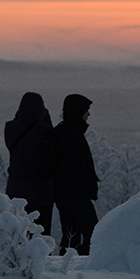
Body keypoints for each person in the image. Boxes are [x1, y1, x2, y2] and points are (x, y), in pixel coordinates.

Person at [52, 94, 99, 255]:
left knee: (70, 235)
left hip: (64, 194)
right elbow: (77, 166)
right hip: (75, 194)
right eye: (86, 110)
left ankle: (66, 267)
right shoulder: (71, 134)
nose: (88, 114)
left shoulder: (63, 131)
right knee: (92, 234)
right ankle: (84, 267)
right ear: (78, 111)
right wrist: (89, 185)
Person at [4, 92, 55, 236]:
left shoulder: (10, 128)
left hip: (15, 190)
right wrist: (46, 118)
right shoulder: (43, 130)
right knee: (40, 236)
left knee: (18, 235)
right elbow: (52, 143)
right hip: (40, 191)